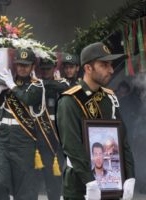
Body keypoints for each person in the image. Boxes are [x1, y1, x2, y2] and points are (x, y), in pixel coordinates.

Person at [56, 42, 135, 200]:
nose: (111, 70)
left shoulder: (109, 98)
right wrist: (90, 181)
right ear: (88, 68)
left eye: (110, 65)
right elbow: (71, 146)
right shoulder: (70, 101)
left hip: (110, 182)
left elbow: (122, 139)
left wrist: (129, 176)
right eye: (104, 65)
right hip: (79, 185)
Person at [0, 48, 43, 200]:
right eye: (19, 64)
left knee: (24, 187)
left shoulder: (37, 85)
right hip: (4, 140)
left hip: (24, 141)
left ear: (32, 66)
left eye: (26, 65)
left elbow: (29, 99)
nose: (22, 68)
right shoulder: (7, 83)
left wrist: (11, 85)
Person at [36, 58, 68, 200]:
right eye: (42, 69)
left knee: (54, 177)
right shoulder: (35, 83)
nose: (45, 72)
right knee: (35, 178)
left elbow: (65, 88)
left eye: (48, 69)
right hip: (39, 134)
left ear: (54, 69)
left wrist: (47, 83)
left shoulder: (62, 83)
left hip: (55, 136)